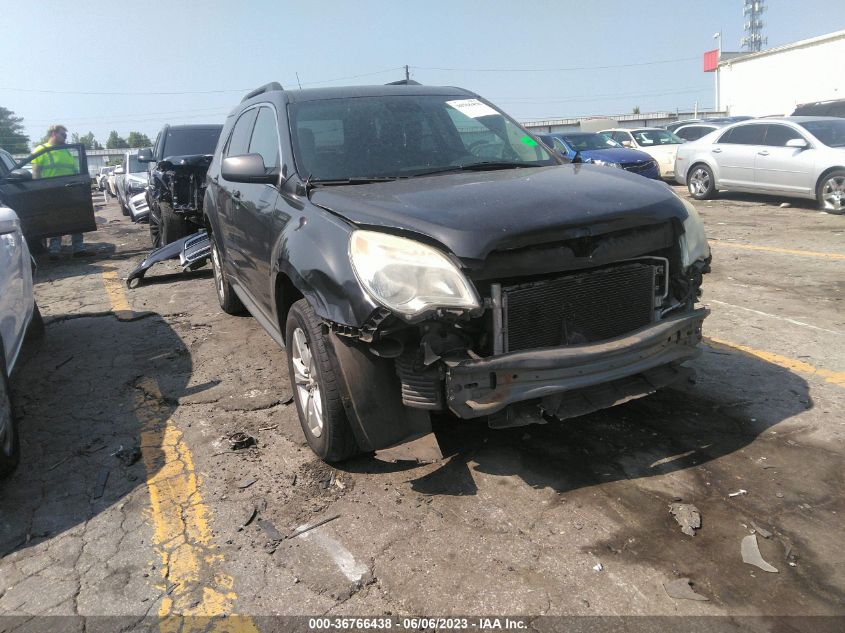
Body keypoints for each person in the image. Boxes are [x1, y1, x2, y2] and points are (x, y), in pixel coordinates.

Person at [32, 124, 92, 259]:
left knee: (76, 219)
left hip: (70, 191)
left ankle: (79, 249)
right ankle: (54, 251)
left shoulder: (65, 151)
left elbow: (74, 171)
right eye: (63, 135)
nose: (65, 137)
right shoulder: (40, 150)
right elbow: (36, 173)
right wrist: (38, 192)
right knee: (55, 221)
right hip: (51, 192)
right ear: (53, 133)